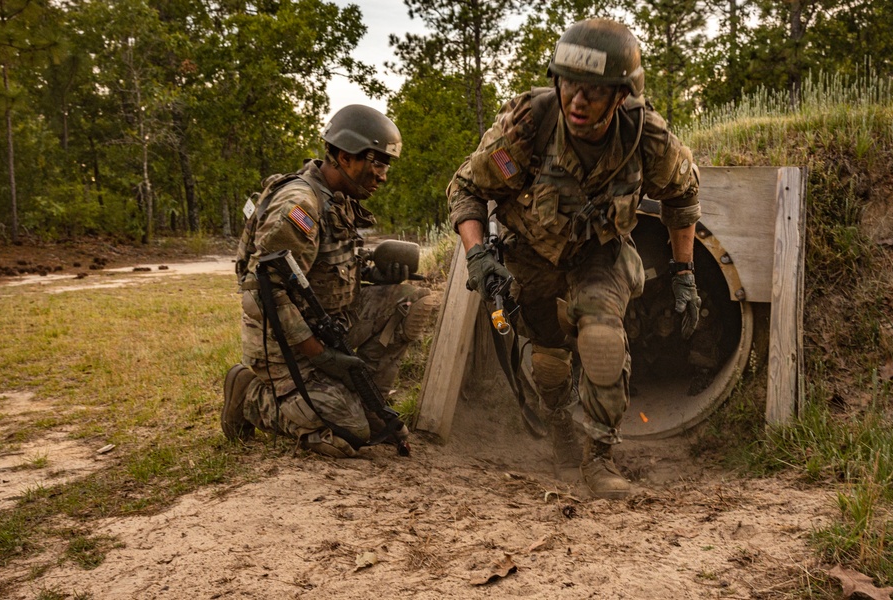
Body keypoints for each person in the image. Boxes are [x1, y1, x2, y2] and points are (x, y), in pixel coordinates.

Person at [447, 19, 702, 498]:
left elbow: (683, 198)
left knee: (602, 337)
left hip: (600, 254)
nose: (577, 101)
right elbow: (467, 188)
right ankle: (561, 426)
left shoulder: (648, 138)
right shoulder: (528, 126)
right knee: (549, 363)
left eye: (594, 90)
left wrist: (684, 274)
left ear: (621, 95)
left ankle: (600, 458)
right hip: (532, 256)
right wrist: (478, 255)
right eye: (569, 85)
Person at [222, 104, 438, 457]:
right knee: (350, 431)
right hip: (284, 345)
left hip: (329, 324)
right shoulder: (301, 205)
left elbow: (325, 267)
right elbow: (261, 294)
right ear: (343, 155)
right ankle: (249, 394)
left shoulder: (339, 198)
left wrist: (373, 275)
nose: (382, 176)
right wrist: (320, 355)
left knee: (409, 302)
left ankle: (366, 399)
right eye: (377, 162)